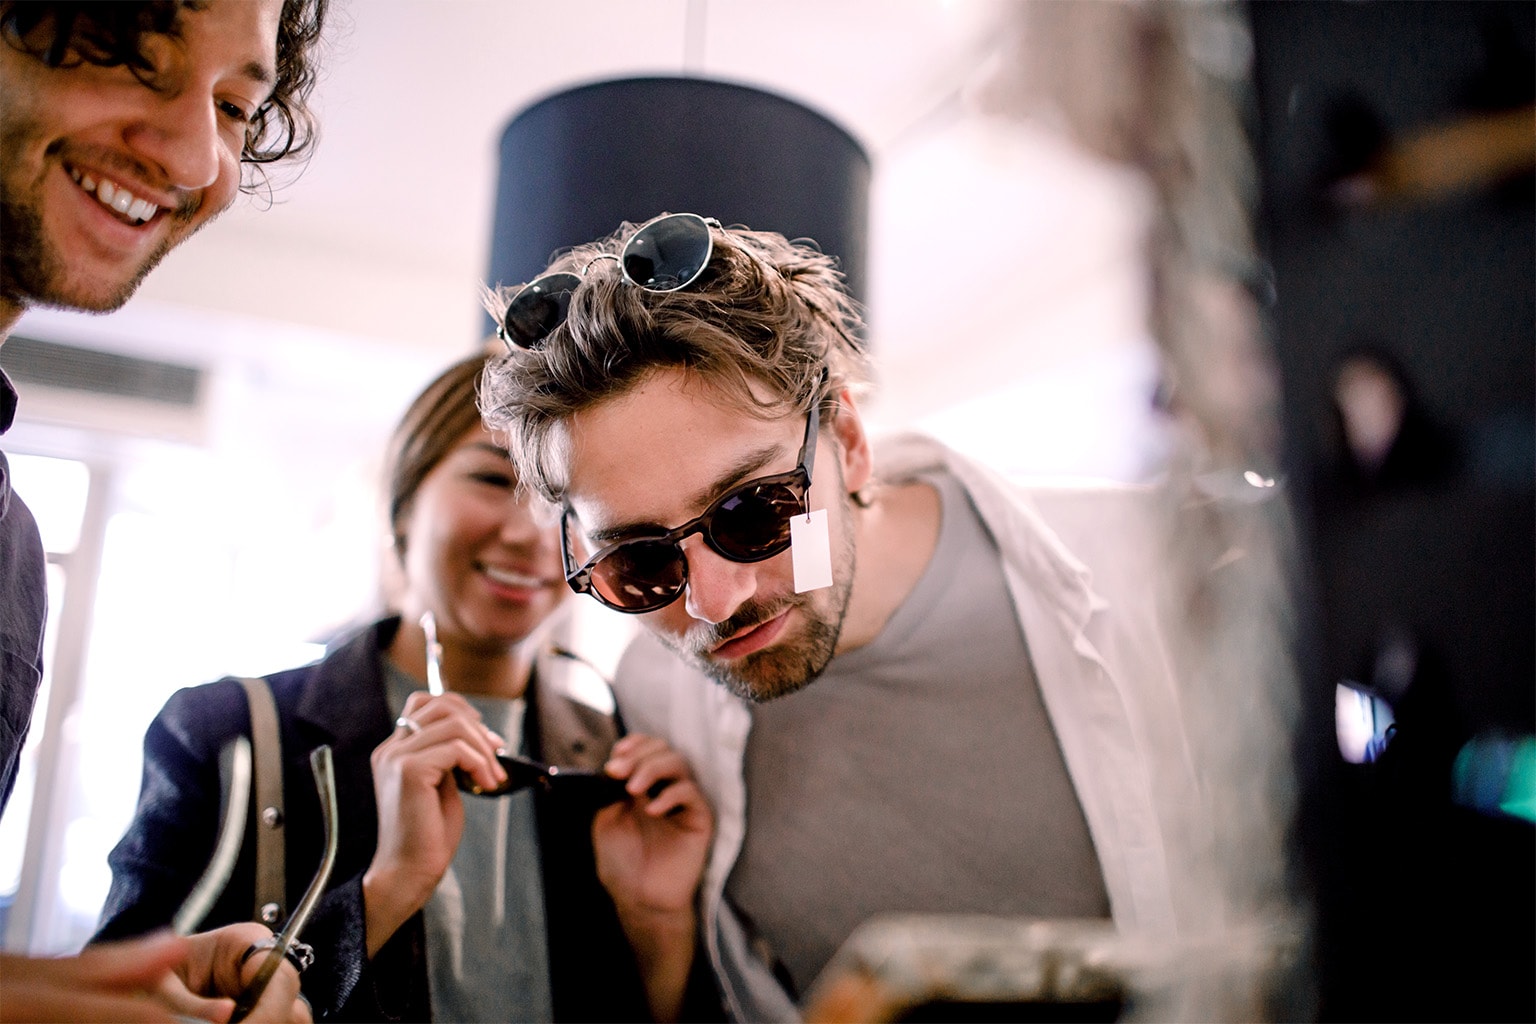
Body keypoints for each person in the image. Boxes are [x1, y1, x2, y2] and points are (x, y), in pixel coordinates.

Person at [479, 213, 1218, 1020]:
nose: (714, 603)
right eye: (642, 563)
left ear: (850, 442)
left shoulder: (1150, 567)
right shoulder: (655, 688)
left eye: (751, 512)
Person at [96, 352, 719, 1022]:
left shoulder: (612, 751)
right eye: (490, 478)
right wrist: (387, 889)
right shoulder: (225, 733)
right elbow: (109, 1006)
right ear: (403, 504)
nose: (530, 535)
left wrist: (658, 926)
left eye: (565, 503)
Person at [1, 1, 326, 1019]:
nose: (194, 155)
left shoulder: (11, 534)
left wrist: (74, 996)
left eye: (234, 105)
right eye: (129, 55)